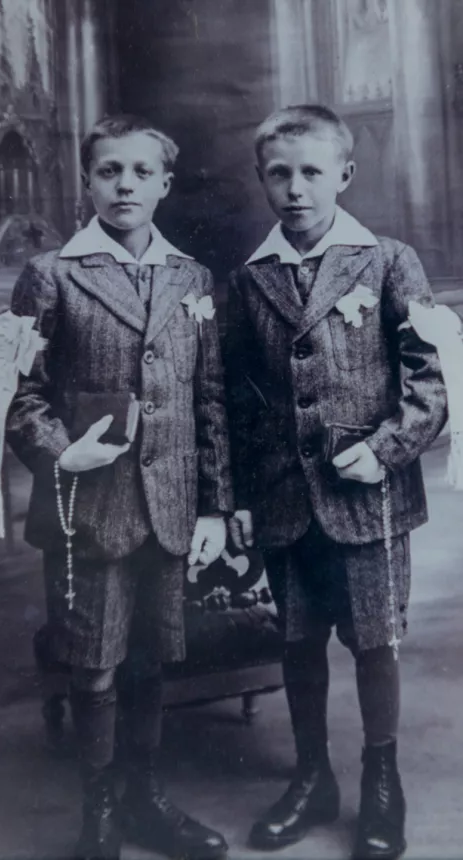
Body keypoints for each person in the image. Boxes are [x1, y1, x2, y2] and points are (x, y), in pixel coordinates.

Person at [5, 114, 232, 860]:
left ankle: (146, 798)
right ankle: (98, 814)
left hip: (168, 508)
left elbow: (208, 401)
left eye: (141, 172)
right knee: (94, 659)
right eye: (109, 171)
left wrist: (215, 507)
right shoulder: (52, 275)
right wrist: (58, 452)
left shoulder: (190, 278)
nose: (125, 185)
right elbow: (16, 394)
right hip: (88, 508)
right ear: (87, 181)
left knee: (149, 656)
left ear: (165, 183)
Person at [224, 104, 447, 860]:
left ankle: (381, 780)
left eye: (312, 172)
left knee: (375, 640)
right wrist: (237, 497)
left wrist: (386, 449)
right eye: (279, 174)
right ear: (261, 179)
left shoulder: (387, 261)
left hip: (368, 495)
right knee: (298, 641)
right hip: (283, 495)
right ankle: (311, 776)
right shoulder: (249, 279)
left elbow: (431, 378)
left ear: (344, 175)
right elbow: (236, 395)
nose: (296, 189)